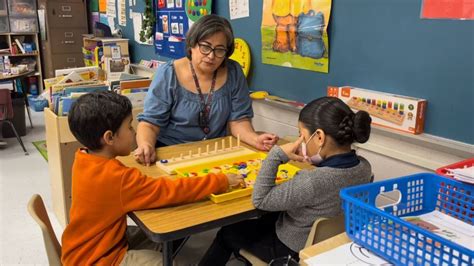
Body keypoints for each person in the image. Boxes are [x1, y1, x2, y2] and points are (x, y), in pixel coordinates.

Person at [61, 91, 243, 265]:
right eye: (129, 126)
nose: (133, 132)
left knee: (167, 233)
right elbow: (170, 191)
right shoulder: (117, 177)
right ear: (109, 137)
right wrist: (221, 180)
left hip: (82, 249)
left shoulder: (83, 157)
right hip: (101, 259)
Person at [199, 96, 373, 265]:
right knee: (266, 219)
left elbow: (260, 200)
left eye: (301, 136)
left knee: (229, 231)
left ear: (319, 137)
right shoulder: (364, 168)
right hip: (331, 243)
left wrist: (276, 155)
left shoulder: (311, 181)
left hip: (291, 249)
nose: (299, 141)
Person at [135, 14, 278, 166]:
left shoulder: (234, 72)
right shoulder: (168, 74)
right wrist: (146, 145)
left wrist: (255, 139)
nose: (211, 56)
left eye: (220, 50)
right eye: (205, 47)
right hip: (171, 153)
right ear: (192, 45)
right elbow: (150, 123)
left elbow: (239, 121)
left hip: (215, 152)